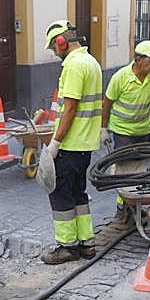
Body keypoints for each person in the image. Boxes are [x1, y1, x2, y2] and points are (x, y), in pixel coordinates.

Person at [40, 20, 102, 265]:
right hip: (85, 144)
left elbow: (70, 108)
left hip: (70, 144)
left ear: (61, 41)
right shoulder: (91, 62)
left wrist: (55, 143)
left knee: (60, 195)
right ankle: (86, 243)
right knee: (78, 194)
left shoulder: (74, 66)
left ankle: (67, 247)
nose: (54, 52)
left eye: (54, 47)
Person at [101, 40, 150, 149]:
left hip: (143, 129)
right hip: (122, 130)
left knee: (143, 163)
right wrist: (103, 128)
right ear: (137, 59)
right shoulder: (120, 77)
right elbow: (107, 104)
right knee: (125, 163)